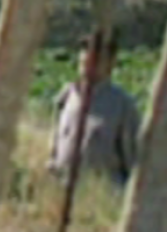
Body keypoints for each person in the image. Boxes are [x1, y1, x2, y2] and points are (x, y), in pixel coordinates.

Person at [47, 31, 142, 187]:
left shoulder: (122, 106)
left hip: (101, 199)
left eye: (97, 56)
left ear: (110, 63)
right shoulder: (66, 97)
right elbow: (54, 149)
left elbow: (133, 164)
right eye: (85, 51)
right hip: (61, 190)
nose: (88, 59)